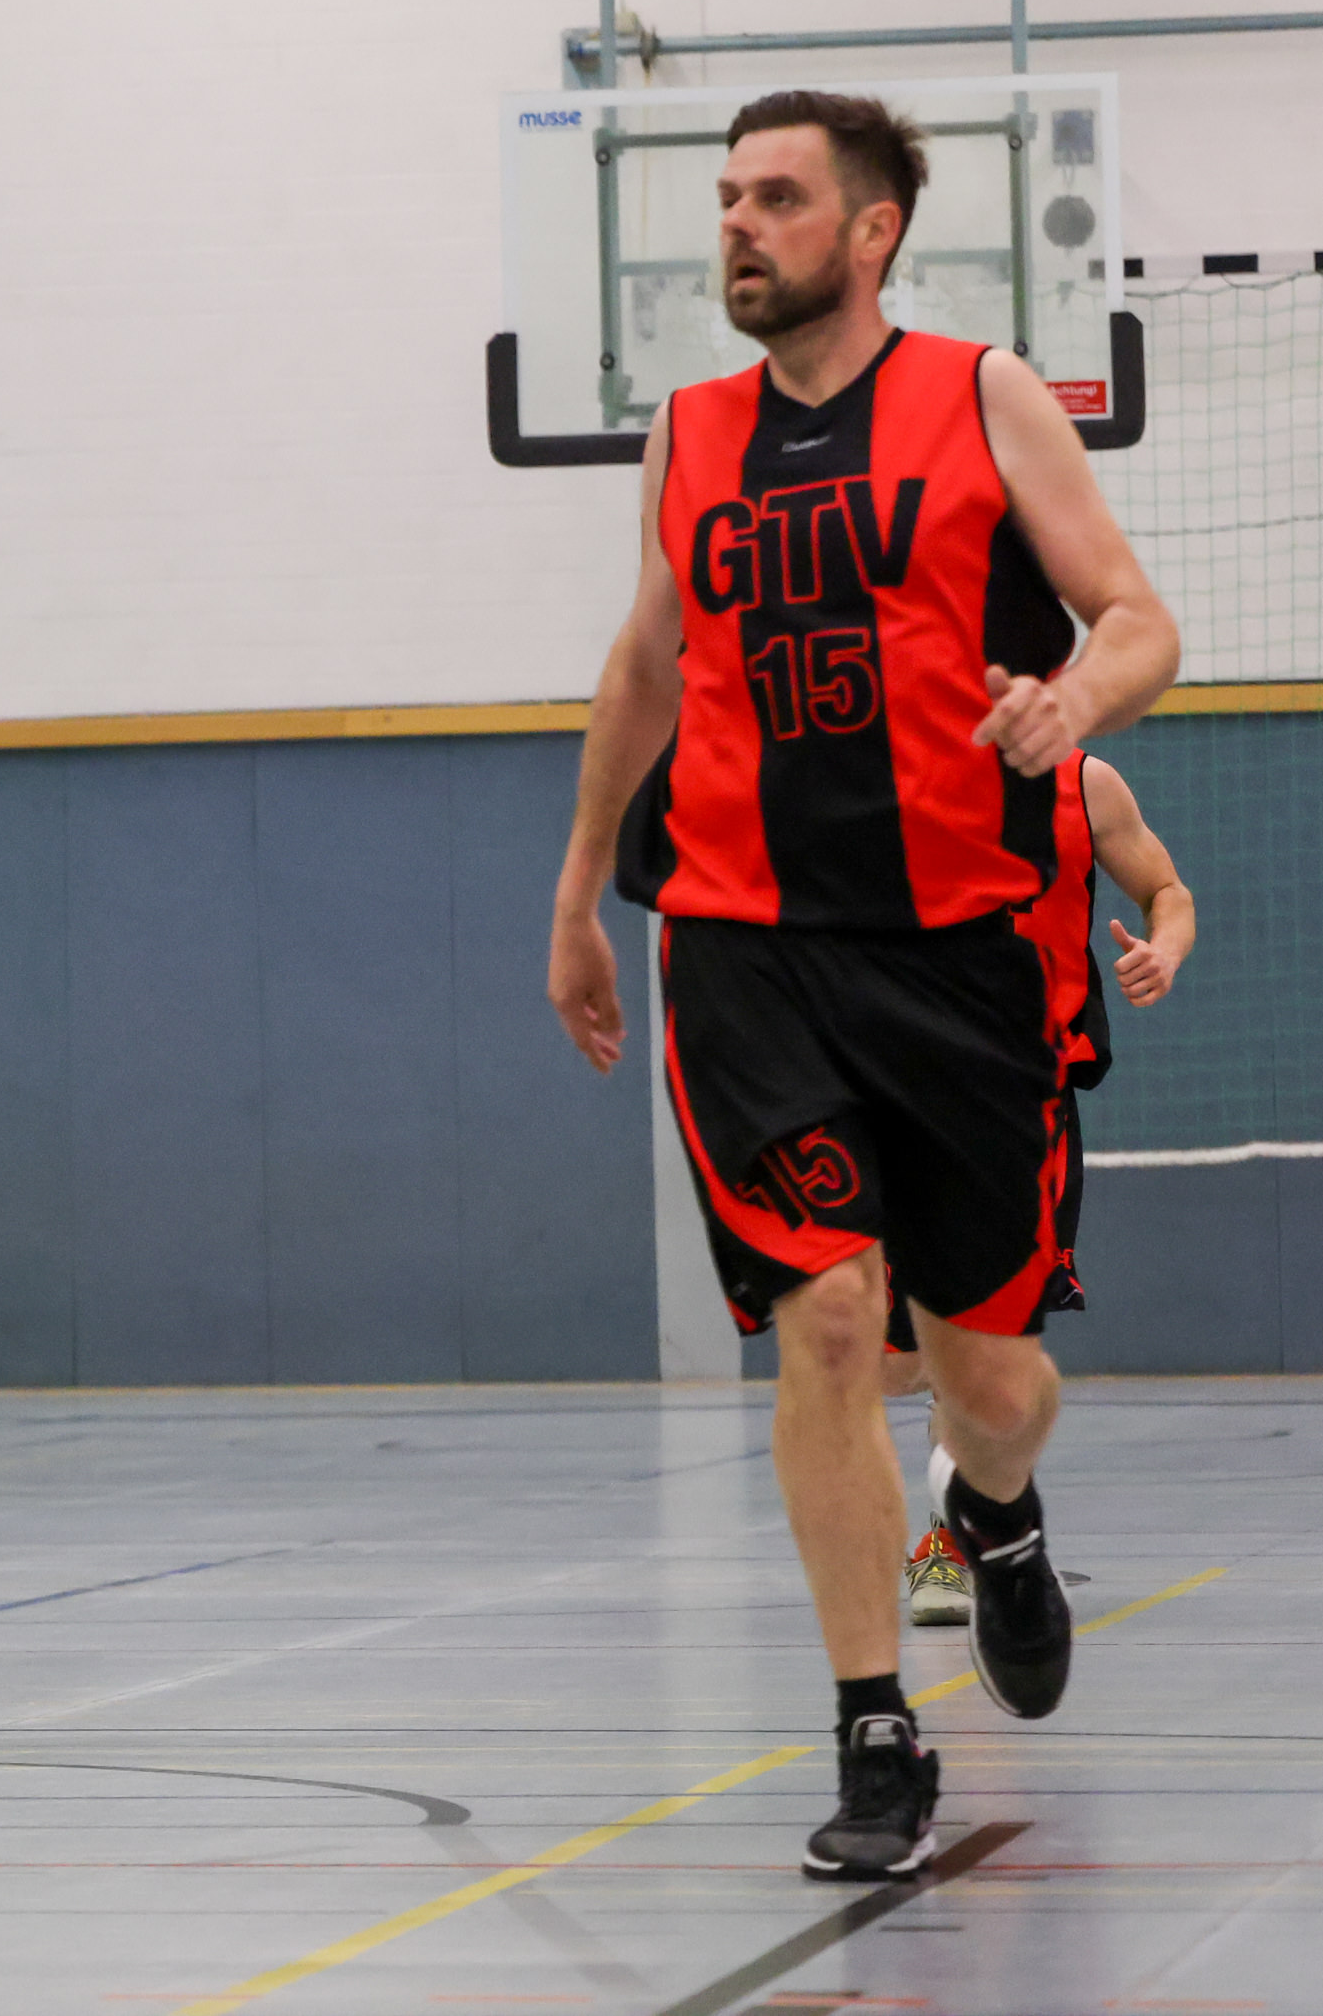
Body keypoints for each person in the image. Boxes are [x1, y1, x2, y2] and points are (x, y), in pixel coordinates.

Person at [548, 92, 1177, 1883]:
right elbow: (647, 661)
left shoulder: (981, 394)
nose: (735, 225)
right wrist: (579, 888)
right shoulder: (688, 434)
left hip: (960, 953)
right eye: (725, 196)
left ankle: (998, 1511)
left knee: (993, 1379)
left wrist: (1075, 699)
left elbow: (1135, 617)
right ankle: (874, 1727)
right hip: (743, 943)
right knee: (827, 1317)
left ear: (873, 228)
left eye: (776, 196)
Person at [894, 751, 1192, 1629]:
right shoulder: (887, 768)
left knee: (994, 1342)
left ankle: (959, 1542)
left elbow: (1166, 889)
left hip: (1031, 1104)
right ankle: (970, 1501)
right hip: (906, 1088)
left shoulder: (1085, 785)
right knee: (892, 1356)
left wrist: (1164, 948)